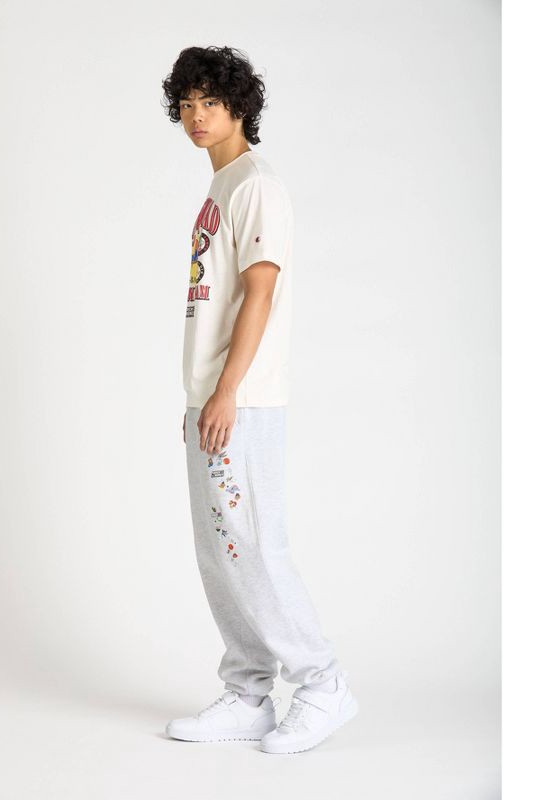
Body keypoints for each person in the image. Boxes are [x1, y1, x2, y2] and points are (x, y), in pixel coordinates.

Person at [160, 45, 358, 755]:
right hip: (213, 399)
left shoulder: (255, 185)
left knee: (253, 547)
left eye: (209, 102)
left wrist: (226, 392)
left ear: (239, 106)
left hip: (241, 400)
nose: (196, 115)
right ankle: (249, 693)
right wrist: (200, 397)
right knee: (221, 553)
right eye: (186, 103)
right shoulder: (221, 187)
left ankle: (324, 684)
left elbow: (261, 292)